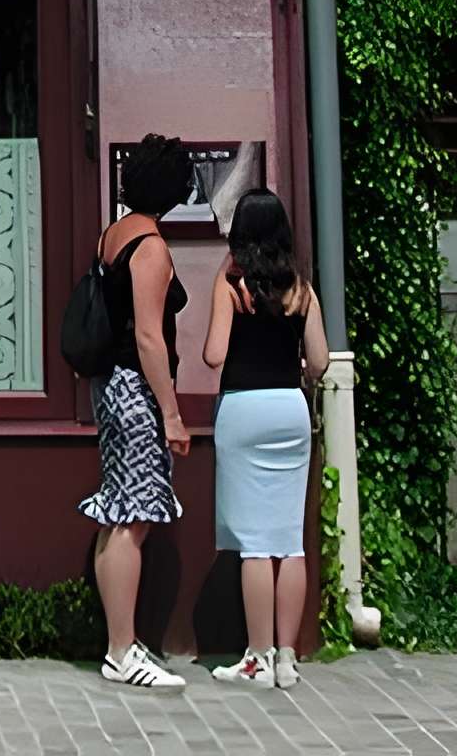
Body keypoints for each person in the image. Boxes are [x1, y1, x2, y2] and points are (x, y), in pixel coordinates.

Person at [200, 190, 330, 691]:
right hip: (289, 411)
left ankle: (255, 658)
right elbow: (318, 363)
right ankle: (288, 659)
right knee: (288, 541)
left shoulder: (232, 284)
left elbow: (214, 355)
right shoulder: (302, 290)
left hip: (243, 410)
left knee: (254, 544)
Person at [85, 132, 194, 690]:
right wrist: (171, 414)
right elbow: (151, 339)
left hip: (108, 386)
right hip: (136, 391)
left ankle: (117, 646)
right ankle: (124, 651)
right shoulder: (150, 246)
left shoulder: (113, 235)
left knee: (118, 515)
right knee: (134, 517)